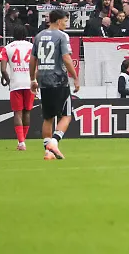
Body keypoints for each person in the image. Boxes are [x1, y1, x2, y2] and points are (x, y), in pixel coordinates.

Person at [29, 10, 79, 160]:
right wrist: (75, 77)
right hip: (59, 80)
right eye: (65, 21)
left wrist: (33, 79)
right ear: (58, 21)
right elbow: (66, 58)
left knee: (48, 118)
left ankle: (48, 152)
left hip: (44, 80)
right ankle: (54, 142)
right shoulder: (62, 36)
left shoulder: (38, 37)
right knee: (67, 115)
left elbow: (33, 60)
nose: (66, 24)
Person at [0, 25, 34, 151]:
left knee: (17, 112)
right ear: (26, 34)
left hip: (16, 83)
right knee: (27, 112)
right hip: (30, 83)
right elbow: (37, 65)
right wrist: (35, 80)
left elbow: (3, 70)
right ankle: (23, 141)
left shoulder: (7, 48)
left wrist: (9, 81)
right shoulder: (32, 46)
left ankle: (21, 142)